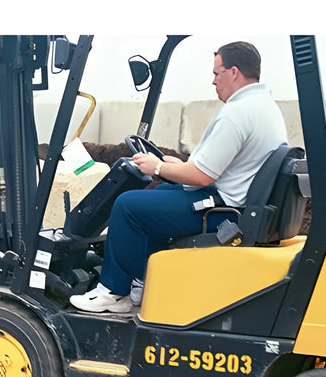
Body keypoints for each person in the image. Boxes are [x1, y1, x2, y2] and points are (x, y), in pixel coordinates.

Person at [70, 41, 288, 313]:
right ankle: (144, 279)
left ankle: (113, 291)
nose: (213, 81)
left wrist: (157, 167)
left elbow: (202, 176)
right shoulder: (263, 106)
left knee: (128, 206)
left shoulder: (237, 114)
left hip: (223, 211)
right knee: (158, 196)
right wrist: (177, 165)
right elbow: (215, 166)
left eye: (216, 73)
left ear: (233, 72)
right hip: (235, 200)